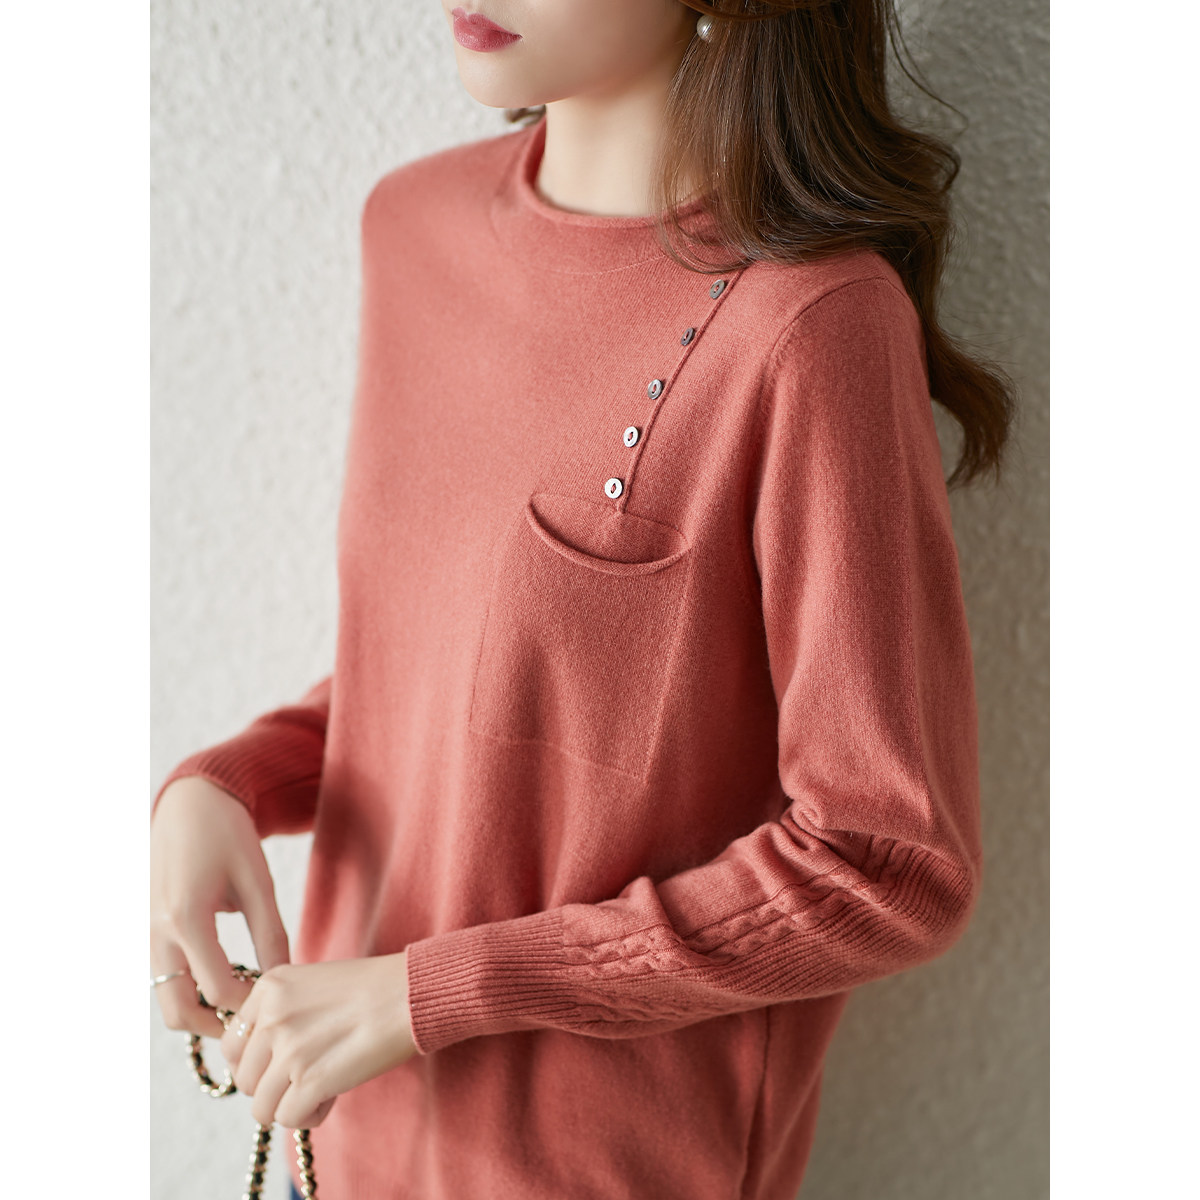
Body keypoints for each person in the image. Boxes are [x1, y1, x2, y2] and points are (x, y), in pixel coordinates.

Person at [150, 1, 1016, 1197]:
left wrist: (432, 994)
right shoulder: (412, 226)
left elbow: (886, 864)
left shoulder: (811, 325)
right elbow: (456, 676)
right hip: (332, 1144)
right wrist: (227, 782)